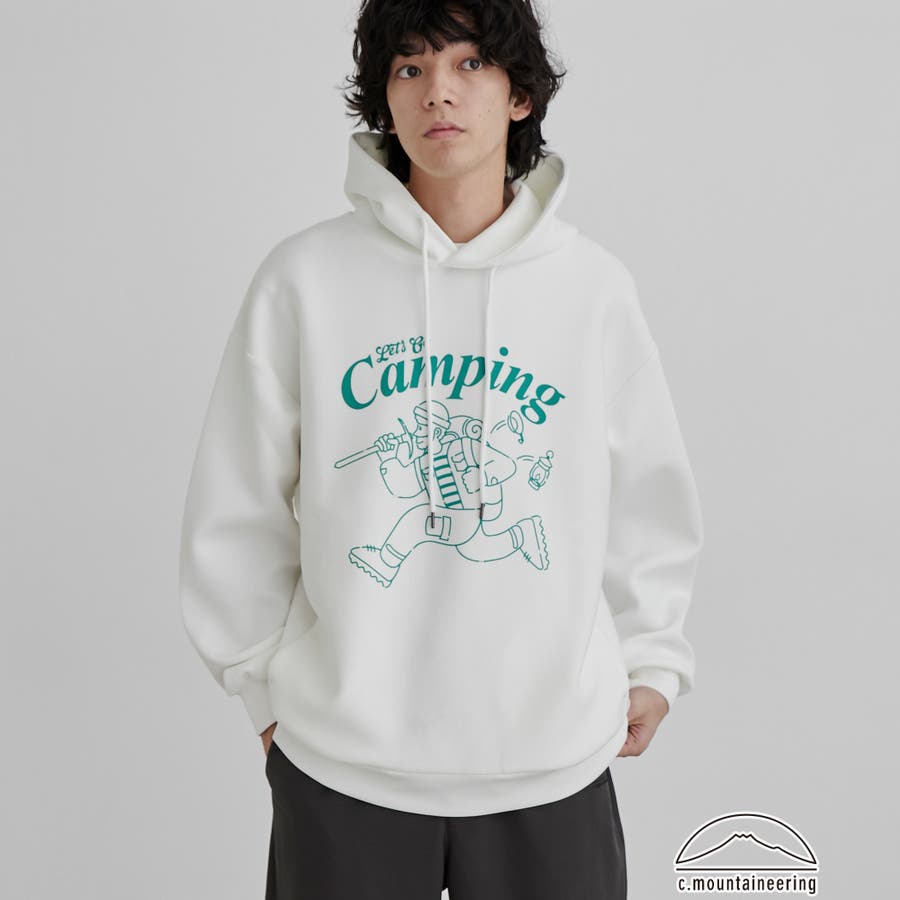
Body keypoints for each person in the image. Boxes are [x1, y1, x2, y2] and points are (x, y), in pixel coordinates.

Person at [179, 1, 704, 897]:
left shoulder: (591, 289)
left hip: (552, 763)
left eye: (469, 64)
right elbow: (238, 502)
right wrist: (262, 690)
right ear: (385, 98)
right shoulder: (304, 280)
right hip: (344, 766)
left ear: (520, 95)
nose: (438, 94)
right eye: (410, 68)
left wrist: (654, 657)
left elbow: (650, 494)